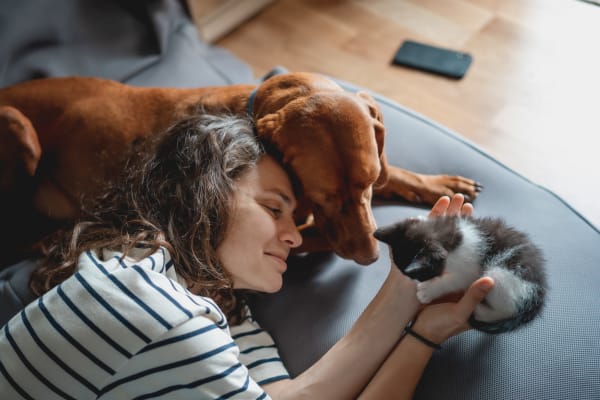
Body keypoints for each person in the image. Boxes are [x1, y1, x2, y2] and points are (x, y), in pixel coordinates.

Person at [0, 113, 493, 399]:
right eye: (273, 208)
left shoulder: (221, 309)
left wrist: (414, 310)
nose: (295, 238)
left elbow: (300, 395)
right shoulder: (150, 303)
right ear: (201, 193)